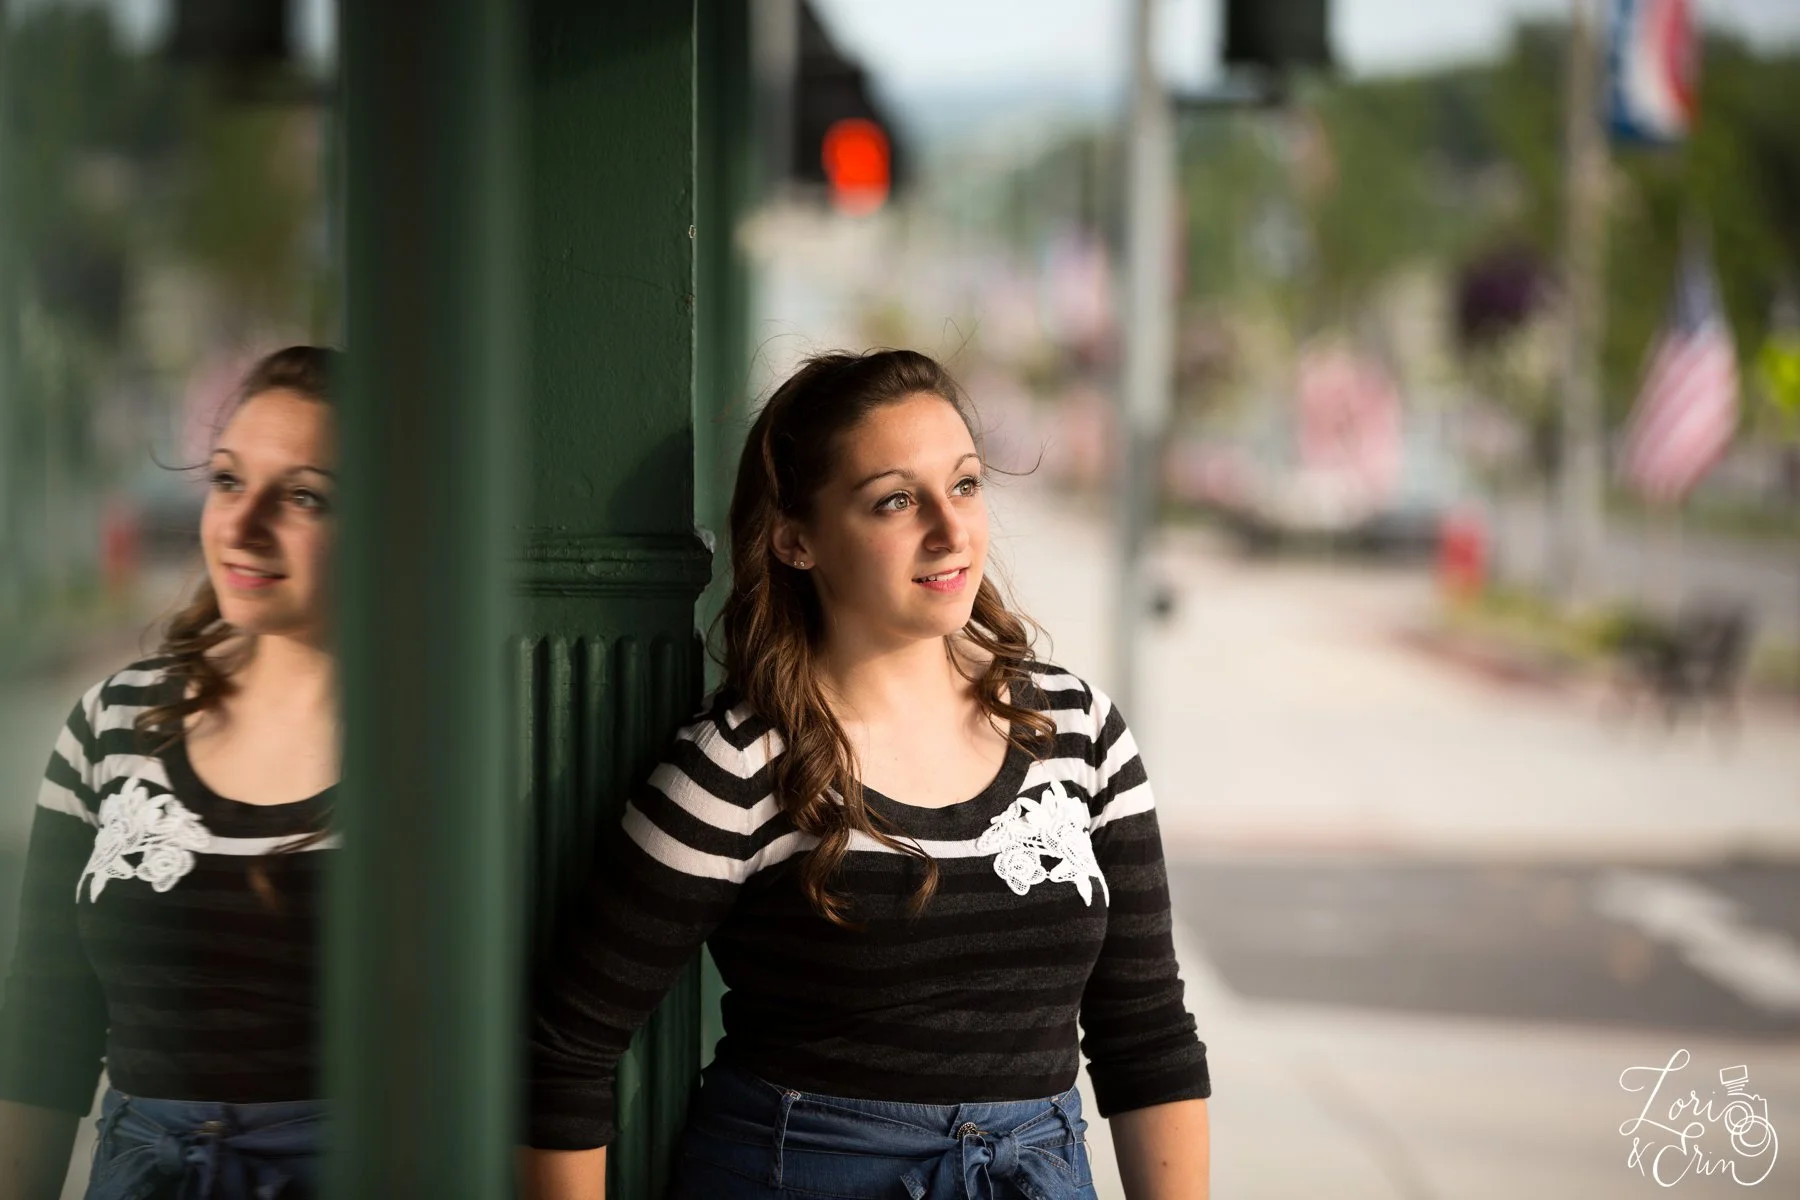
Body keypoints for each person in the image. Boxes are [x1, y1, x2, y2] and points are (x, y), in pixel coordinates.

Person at [521, 349, 1210, 1199]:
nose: (951, 532)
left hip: (1039, 1174)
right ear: (796, 539)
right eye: (895, 500)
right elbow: (568, 1046)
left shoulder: (1077, 732)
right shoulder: (739, 767)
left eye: (963, 485)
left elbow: (1146, 1032)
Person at [0, 347, 341, 1200]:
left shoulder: (438, 750)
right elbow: (47, 1024)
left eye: (304, 497)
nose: (243, 524)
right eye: (228, 481)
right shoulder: (112, 725)